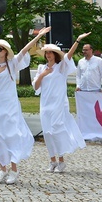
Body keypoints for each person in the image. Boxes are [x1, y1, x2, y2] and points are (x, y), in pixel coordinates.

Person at [0, 26, 50, 185]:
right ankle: (2, 169)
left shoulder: (13, 64)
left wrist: (39, 36)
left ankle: (14, 169)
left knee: (11, 135)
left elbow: (25, 50)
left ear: (6, 51)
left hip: (10, 106)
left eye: (0, 49)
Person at [34, 32, 90, 173]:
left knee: (56, 130)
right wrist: (43, 75)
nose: (48, 55)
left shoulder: (61, 67)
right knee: (47, 132)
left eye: (51, 53)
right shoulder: (42, 68)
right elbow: (35, 86)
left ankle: (61, 160)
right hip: (45, 104)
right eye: (46, 53)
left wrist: (77, 40)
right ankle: (52, 161)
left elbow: (69, 55)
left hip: (58, 104)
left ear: (55, 54)